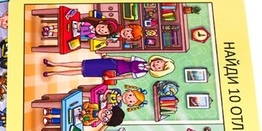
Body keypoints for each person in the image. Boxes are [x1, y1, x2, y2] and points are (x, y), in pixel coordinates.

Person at [42, 54, 175, 79]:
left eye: (159, 67)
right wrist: (110, 56)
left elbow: (125, 77)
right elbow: (123, 58)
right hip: (111, 63)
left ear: (158, 71)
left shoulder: (141, 74)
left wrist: (111, 78)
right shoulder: (140, 59)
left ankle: (54, 73)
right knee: (83, 64)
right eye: (159, 62)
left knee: (81, 72)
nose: (157, 65)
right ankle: (54, 64)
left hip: (112, 71)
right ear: (156, 59)